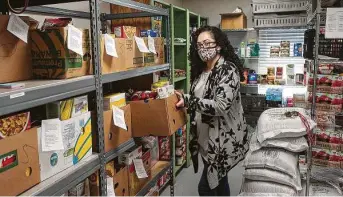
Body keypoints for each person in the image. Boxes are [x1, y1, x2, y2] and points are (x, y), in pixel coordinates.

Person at [175, 26, 249, 196]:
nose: (203, 48)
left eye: (207, 43)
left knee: (206, 187)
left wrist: (189, 101)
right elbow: (199, 99)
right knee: (219, 183)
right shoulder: (201, 71)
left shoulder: (227, 70)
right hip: (205, 139)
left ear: (219, 45)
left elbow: (221, 106)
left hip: (221, 141)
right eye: (199, 45)